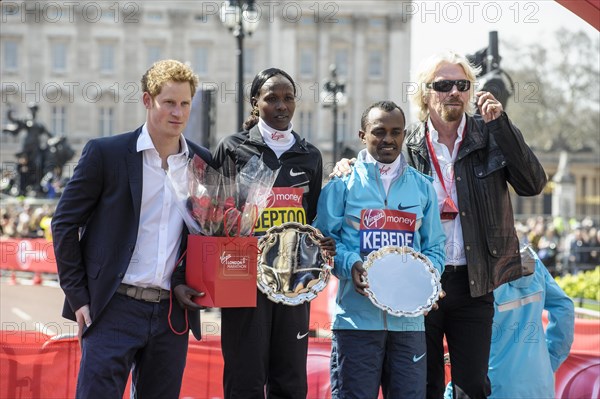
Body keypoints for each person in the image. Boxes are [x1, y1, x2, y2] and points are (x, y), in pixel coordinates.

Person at [51, 59, 211, 398]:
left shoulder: (202, 163)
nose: (177, 112)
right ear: (147, 100)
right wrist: (78, 297)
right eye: (169, 102)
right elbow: (64, 223)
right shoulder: (105, 153)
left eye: (184, 104)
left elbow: (206, 234)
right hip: (111, 307)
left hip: (172, 312)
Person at [173, 67, 335, 399]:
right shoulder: (233, 147)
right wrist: (184, 274)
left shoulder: (310, 156)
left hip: (293, 283)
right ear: (254, 102)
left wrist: (322, 242)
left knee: (290, 381)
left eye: (288, 98)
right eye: (271, 98)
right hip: (241, 281)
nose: (281, 106)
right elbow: (207, 216)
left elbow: (314, 219)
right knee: (244, 379)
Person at [405, 51, 548, 399]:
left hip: (475, 281)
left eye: (462, 84)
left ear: (470, 91)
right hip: (422, 281)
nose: (453, 91)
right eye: (443, 85)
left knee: (473, 387)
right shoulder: (408, 144)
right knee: (424, 385)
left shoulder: (490, 133)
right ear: (426, 93)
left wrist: (502, 124)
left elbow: (532, 184)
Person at [314, 101, 446, 398]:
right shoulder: (341, 185)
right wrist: (350, 264)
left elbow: (436, 247)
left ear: (403, 135)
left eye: (396, 132)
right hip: (356, 323)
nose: (388, 139)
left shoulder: (423, 188)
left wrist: (429, 281)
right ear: (363, 134)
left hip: (409, 326)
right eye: (379, 131)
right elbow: (323, 241)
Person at [488, 247, 574, 398]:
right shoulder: (531, 258)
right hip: (540, 384)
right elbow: (564, 307)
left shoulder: (477, 268)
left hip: (495, 386)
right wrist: (550, 360)